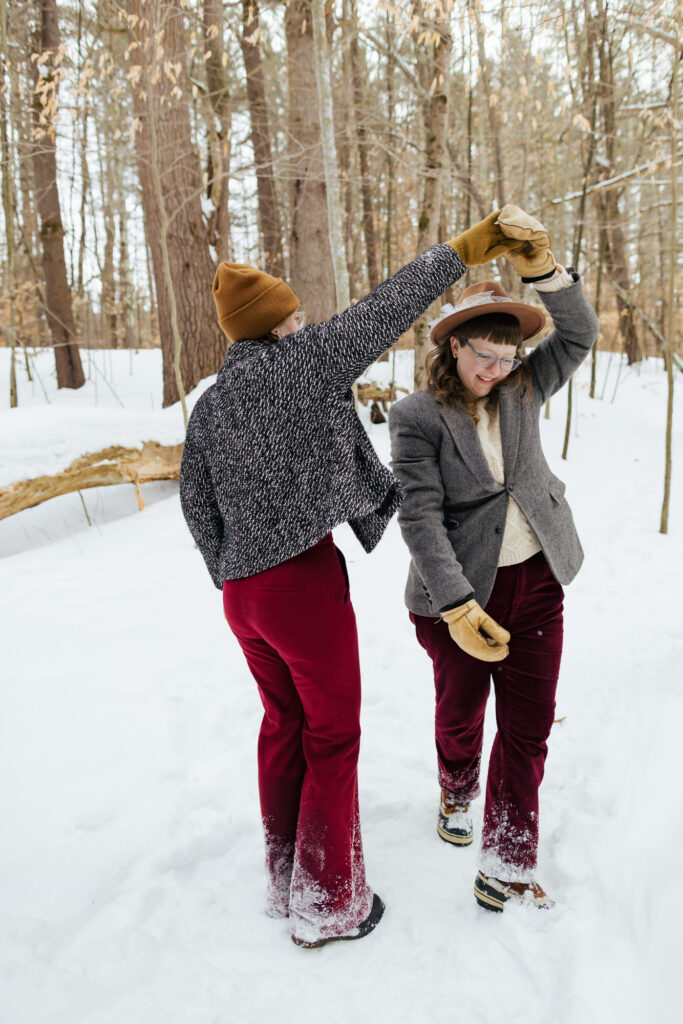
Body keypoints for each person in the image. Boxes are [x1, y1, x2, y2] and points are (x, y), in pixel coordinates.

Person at [178, 211, 528, 946]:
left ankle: (287, 878)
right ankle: (331, 902)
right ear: (272, 326)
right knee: (333, 735)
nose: (303, 319)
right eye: (292, 313)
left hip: (242, 597)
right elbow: (388, 307)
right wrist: (465, 249)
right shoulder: (301, 364)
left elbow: (194, 501)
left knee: (284, 726)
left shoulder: (211, 404)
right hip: (298, 584)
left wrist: (230, 571)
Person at [388, 206, 599, 912]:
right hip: (459, 591)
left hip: (537, 577)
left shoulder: (523, 387)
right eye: (483, 355)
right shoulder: (416, 416)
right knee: (461, 711)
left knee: (528, 728)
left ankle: (507, 860)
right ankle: (455, 786)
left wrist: (542, 269)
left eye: (507, 359)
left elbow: (579, 332)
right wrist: (455, 605)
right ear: (452, 348)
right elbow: (417, 514)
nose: (495, 368)